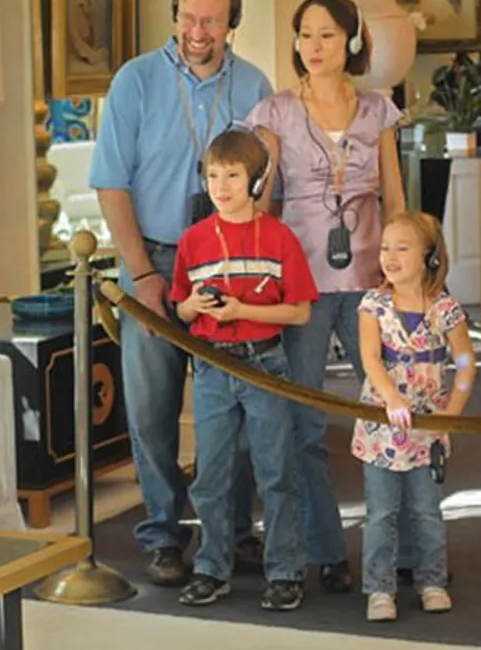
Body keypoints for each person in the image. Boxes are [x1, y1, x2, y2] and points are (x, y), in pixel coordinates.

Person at [90, 0, 274, 586]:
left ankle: (233, 530)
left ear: (231, 24)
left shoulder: (253, 86)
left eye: (212, 20)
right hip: (155, 261)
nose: (199, 32)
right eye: (190, 18)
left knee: (238, 405)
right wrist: (142, 274)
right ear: (176, 17)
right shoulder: (135, 81)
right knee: (152, 410)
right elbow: (111, 183)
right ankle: (164, 534)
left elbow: (267, 185)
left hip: (232, 262)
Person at [246, 0, 406, 592]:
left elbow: (396, 198)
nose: (314, 47)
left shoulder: (379, 111)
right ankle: (327, 549)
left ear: (352, 42)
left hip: (370, 280)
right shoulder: (276, 113)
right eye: (305, 35)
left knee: (389, 417)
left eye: (328, 35)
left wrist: (407, 275)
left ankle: (396, 548)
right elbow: (261, 201)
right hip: (302, 284)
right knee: (305, 423)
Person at [171, 127, 314, 611]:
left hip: (264, 362)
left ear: (256, 181)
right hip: (211, 367)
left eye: (233, 175)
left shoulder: (279, 237)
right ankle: (212, 567)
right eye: (213, 176)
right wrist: (192, 306)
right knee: (210, 473)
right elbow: (182, 313)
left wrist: (242, 314)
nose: (221, 186)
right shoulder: (192, 242)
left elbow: (298, 312)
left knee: (276, 469)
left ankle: (285, 570)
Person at [353, 211, 476, 621]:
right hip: (381, 429)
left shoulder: (445, 308)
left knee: (426, 510)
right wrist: (391, 398)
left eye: (401, 248)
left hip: (428, 430)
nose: (389, 256)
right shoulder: (373, 304)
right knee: (381, 511)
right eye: (385, 247)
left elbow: (465, 362)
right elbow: (370, 358)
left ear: (428, 255)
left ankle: (432, 580)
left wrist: (449, 418)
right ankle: (379, 589)